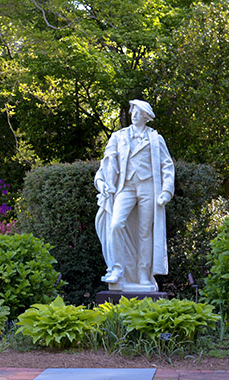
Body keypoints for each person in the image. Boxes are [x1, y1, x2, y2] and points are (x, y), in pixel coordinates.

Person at [94, 99, 174, 291]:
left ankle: (142, 275)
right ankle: (117, 269)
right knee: (115, 224)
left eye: (138, 112)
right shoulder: (118, 136)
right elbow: (107, 162)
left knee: (145, 233)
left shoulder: (155, 139)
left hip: (148, 188)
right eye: (133, 111)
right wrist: (103, 182)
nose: (134, 114)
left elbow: (167, 165)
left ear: (146, 116)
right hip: (126, 187)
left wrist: (166, 191)